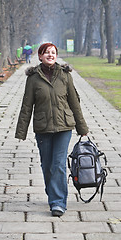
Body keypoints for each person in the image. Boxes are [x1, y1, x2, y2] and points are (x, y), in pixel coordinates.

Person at [15, 43, 88, 217]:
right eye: (46, 52)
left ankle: (58, 202)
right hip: (43, 127)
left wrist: (82, 127)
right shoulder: (33, 78)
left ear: (56, 55)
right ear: (40, 56)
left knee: (59, 165)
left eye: (53, 52)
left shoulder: (65, 75)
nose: (50, 55)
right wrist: (21, 131)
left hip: (64, 126)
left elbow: (74, 103)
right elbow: (27, 105)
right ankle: (53, 193)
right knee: (47, 165)